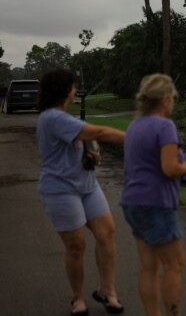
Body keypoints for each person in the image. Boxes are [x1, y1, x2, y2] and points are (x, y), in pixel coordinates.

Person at [36, 69, 126, 315]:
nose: (76, 90)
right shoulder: (52, 117)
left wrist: (90, 153)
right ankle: (77, 298)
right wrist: (134, 138)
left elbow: (85, 140)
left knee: (106, 232)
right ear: (65, 89)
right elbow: (97, 132)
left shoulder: (63, 116)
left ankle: (107, 290)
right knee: (76, 245)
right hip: (60, 190)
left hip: (86, 185)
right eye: (74, 86)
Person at [120, 74, 186, 316]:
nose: (173, 102)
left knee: (148, 267)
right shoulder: (165, 126)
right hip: (156, 204)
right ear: (165, 99)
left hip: (132, 202)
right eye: (172, 98)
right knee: (174, 264)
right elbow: (170, 168)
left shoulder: (134, 126)